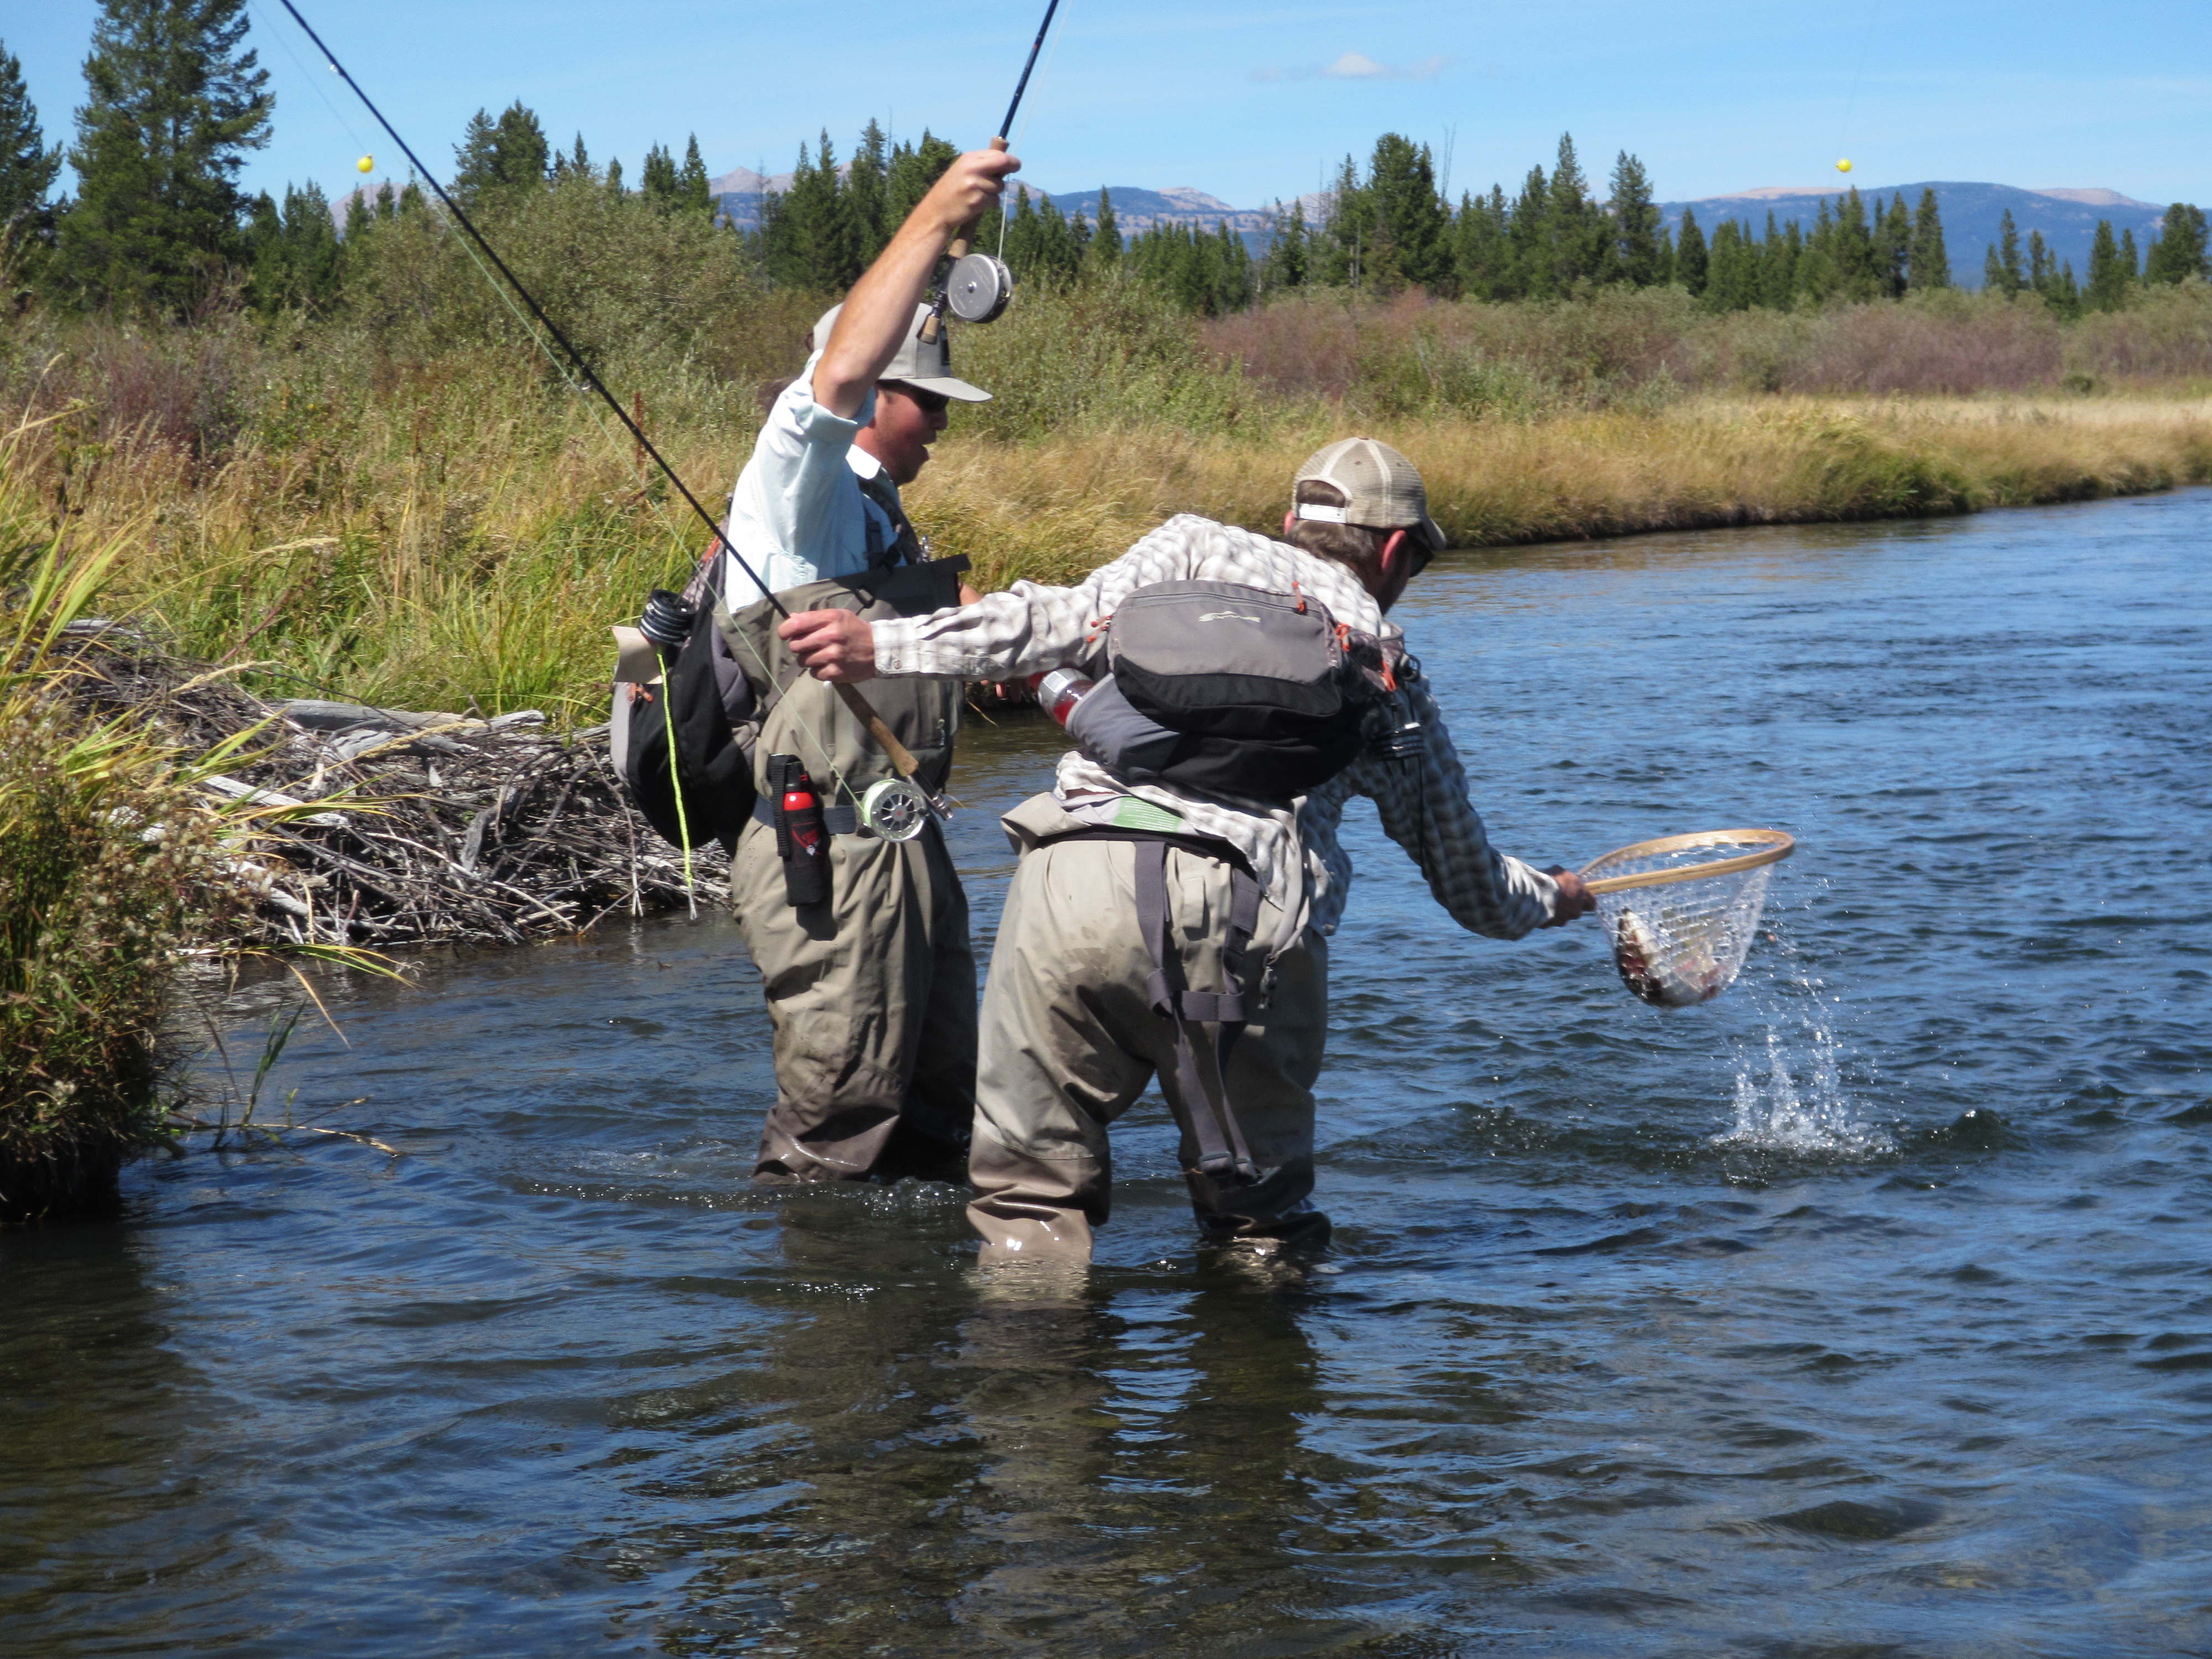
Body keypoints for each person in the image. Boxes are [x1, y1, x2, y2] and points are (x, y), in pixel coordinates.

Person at [777, 437, 1597, 1259]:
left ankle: (1024, 1323)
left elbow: (1048, 624)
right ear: (1394, 552)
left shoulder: (1194, 544)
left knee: (1027, 1198)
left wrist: (882, 646)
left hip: (1075, 875)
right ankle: (1253, 1322)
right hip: (1244, 909)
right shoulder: (1389, 671)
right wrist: (1556, 897)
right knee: (1260, 1222)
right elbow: (1472, 885)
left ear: (1291, 524)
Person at [703, 144, 1019, 1186]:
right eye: (931, 402)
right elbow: (833, 374)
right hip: (830, 857)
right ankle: (822, 1291)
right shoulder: (800, 478)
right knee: (834, 1140)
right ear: (879, 390)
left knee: (938, 1121)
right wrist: (936, 218)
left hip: (905, 843)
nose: (943, 425)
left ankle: (924, 1285)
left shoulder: (876, 509)